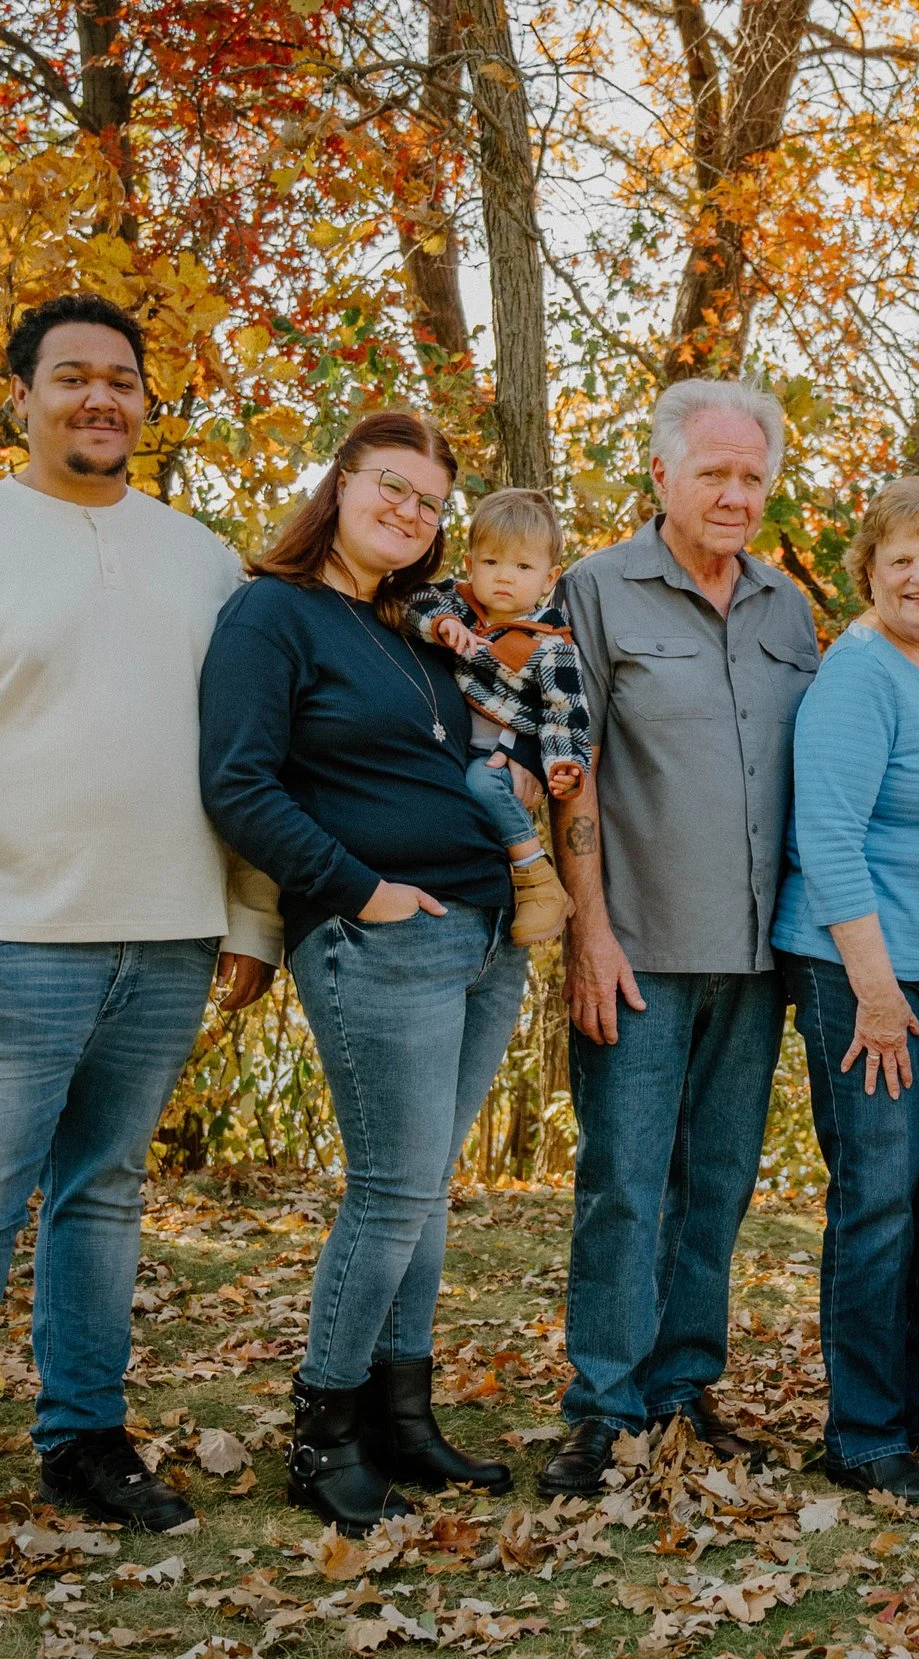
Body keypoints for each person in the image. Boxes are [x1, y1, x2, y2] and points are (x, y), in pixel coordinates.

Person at [0, 293, 281, 1588]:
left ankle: (85, 1440)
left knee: (105, 1201)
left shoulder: (203, 559)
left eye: (123, 381)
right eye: (74, 377)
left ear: (146, 403)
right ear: (20, 391)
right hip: (2, 948)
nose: (102, 398)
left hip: (167, 941)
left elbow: (246, 750)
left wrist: (250, 913)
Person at [200, 411, 525, 1531]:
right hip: (379, 937)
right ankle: (323, 1435)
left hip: (483, 938)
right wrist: (362, 891)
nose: (410, 512)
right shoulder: (271, 613)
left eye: (431, 503)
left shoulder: (410, 625)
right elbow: (239, 784)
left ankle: (402, 1417)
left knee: (425, 1187)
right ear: (339, 483)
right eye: (393, 486)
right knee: (391, 1190)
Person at [542, 380, 820, 1495]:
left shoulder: (786, 609)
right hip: (640, 948)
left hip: (758, 959)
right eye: (713, 473)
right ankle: (602, 1408)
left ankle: (681, 1391)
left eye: (752, 476)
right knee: (623, 1180)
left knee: (719, 1179)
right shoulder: (595, 592)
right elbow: (570, 771)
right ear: (661, 475)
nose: (735, 494)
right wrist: (588, 936)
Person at [772, 476, 919, 1504]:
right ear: (867, 571)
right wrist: (875, 992)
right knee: (878, 1196)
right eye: (900, 558)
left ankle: (913, 1399)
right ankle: (862, 1430)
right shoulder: (857, 675)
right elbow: (824, 837)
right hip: (860, 975)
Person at [399, 487, 592, 945]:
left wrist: (566, 767)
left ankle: (537, 876)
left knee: (481, 783)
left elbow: (566, 714)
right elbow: (412, 603)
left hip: (502, 748)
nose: (504, 577)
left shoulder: (551, 645)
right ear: (470, 565)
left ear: (550, 577)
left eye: (523, 567)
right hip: (453, 739)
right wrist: (442, 626)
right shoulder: (459, 606)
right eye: (491, 563)